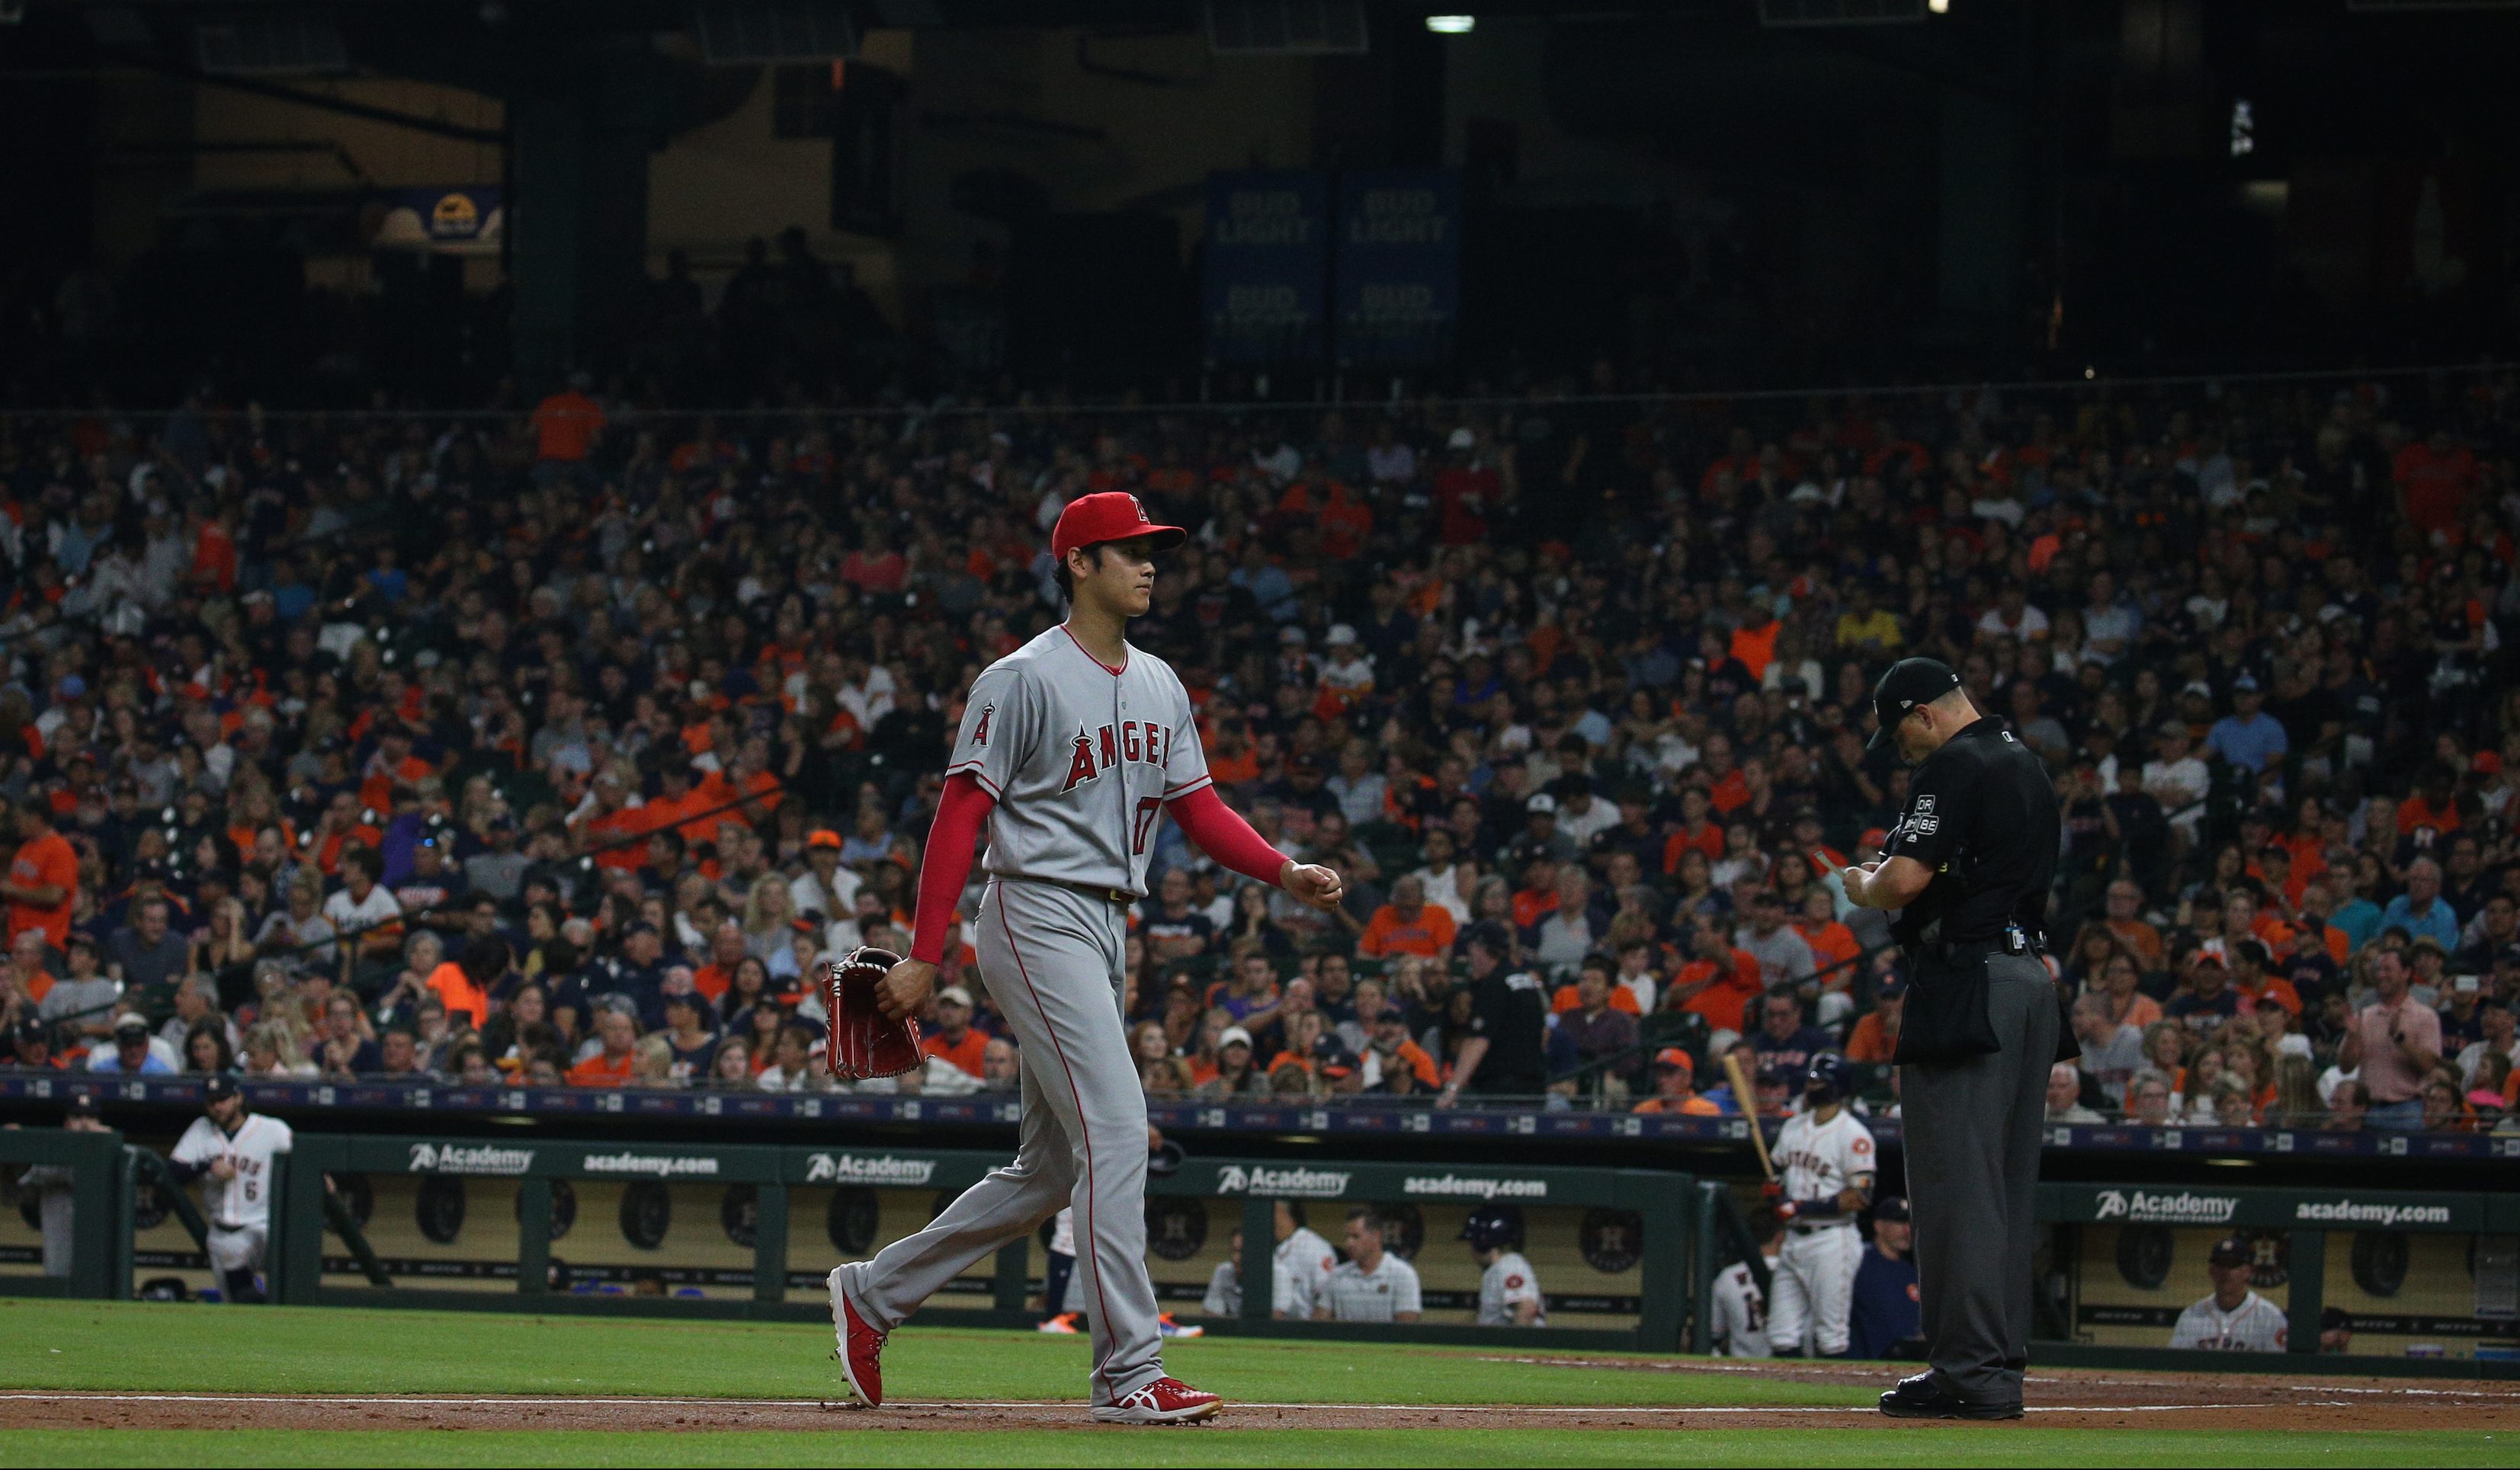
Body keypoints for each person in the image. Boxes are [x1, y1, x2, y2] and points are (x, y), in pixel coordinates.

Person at [831, 492, 1343, 1426]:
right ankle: (1128, 1372)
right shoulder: (1020, 678)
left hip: (1108, 926)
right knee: (1117, 1127)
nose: (1150, 565)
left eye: (1155, 552)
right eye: (1131, 551)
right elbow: (960, 815)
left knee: (1049, 1172)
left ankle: (873, 1293)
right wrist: (928, 954)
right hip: (1033, 911)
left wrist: (1282, 871)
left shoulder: (1159, 683)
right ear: (1078, 562)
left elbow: (1199, 810)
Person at [1840, 657, 2059, 1420]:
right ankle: (1994, 1362)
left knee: (1955, 1188)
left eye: (1898, 731)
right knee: (2001, 1188)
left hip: (1972, 985)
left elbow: (1902, 882)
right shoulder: (2026, 764)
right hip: (2029, 977)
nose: (1900, 748)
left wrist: (1863, 883)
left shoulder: (1954, 763)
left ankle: (1972, 1373)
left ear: (1923, 712)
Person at [1762, 1053, 1876, 1359]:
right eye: (1810, 1080)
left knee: (1830, 1337)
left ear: (1836, 1087)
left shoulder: (1853, 1135)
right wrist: (1775, 1192)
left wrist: (1801, 1207)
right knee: (1782, 1335)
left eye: (1819, 1081)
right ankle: (1784, 1406)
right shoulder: (1794, 1128)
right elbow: (1778, 1175)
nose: (1812, 1086)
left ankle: (1833, 1406)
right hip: (1793, 1239)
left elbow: (1859, 1197)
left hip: (1831, 1240)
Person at [165, 1074, 294, 1303]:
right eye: (212, 1101)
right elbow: (174, 1170)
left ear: (238, 1098)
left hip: (264, 1227)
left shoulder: (272, 1130)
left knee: (284, 1294)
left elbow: (305, 1157)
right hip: (224, 1232)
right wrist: (207, 1165)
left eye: (223, 1099)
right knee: (236, 1302)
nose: (218, 1106)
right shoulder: (201, 1129)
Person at [1436, 921, 1548, 1106]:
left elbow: (1478, 1040)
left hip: (1502, 1090)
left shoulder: (1494, 984)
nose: (1469, 955)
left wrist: (1452, 1090)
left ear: (1482, 949)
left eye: (1472, 948)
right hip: (1534, 1087)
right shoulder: (1525, 980)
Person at [2339, 948, 2441, 1131]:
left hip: (2407, 1111)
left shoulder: (2425, 1016)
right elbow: (2345, 1067)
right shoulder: (2364, 1016)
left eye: (2388, 970)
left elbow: (2429, 1066)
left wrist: (2401, 1040)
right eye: (2378, 970)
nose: (2381, 975)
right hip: (2368, 1110)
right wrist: (2353, 1037)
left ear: (2406, 973)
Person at [20, 1094, 110, 1277]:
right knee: (59, 1272)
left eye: (91, 1118)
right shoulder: (52, 1151)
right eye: (77, 1118)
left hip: (99, 1229)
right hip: (60, 1223)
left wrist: (104, 1145)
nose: (85, 1123)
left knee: (97, 1276)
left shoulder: (113, 1149)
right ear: (66, 1123)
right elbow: (27, 1184)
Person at [2168, 1235, 2288, 1351]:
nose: (2226, 1272)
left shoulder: (2270, 1317)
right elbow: (2174, 1364)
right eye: (2221, 1265)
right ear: (2211, 1271)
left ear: (2247, 1272)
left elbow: (2282, 1368)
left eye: (2233, 1265)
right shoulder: (2191, 1316)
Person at [1848, 1196, 1921, 1360]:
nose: (1908, 1230)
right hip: (1860, 1362)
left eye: (1910, 1223)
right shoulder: (1858, 1261)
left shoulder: (1911, 1272)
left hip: (1902, 1364)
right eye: (1900, 1222)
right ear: (1879, 1225)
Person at [1319, 1207, 1422, 1324]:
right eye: (1347, 1237)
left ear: (1376, 1236)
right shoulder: (1337, 1275)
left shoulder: (1403, 1275)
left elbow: (1407, 1330)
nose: (1349, 1243)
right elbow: (1319, 1324)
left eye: (1356, 1237)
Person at [1710, 1207, 1781, 1357]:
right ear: (1780, 1236)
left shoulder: (1727, 1277)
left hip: (1743, 1369)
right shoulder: (1794, 1274)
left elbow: (1714, 1334)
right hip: (1795, 1368)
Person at [1462, 1204, 1544, 1327]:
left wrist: (1515, 1346)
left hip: (1513, 1345)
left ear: (1482, 1242)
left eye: (1472, 1242)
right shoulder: (1497, 1270)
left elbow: (1527, 1310)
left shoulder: (1510, 1265)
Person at [1271, 1200, 1338, 1321]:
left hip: (1306, 1331)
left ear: (1288, 1217)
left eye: (1274, 1212)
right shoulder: (1272, 1247)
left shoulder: (1316, 1247)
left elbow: (1327, 1301)